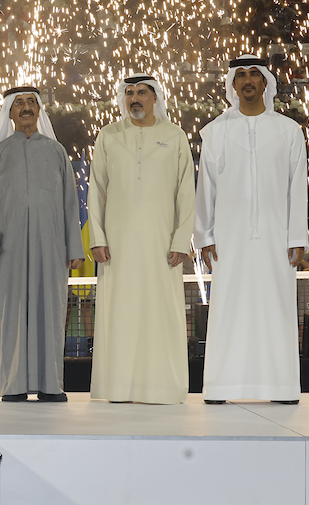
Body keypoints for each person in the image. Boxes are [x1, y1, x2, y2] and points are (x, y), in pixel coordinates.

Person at [195, 57, 307, 405]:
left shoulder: (289, 130)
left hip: (276, 241)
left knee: (277, 310)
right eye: (240, 75)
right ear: (232, 84)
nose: (246, 80)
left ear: (265, 83)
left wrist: (297, 238)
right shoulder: (215, 130)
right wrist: (205, 236)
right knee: (228, 309)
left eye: (254, 75)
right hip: (228, 240)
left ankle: (280, 388)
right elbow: (206, 189)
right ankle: (221, 387)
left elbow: (297, 188)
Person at [89, 74, 195, 405]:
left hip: (162, 245)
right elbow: (97, 190)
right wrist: (97, 237)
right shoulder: (108, 136)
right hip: (116, 247)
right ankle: (117, 388)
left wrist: (181, 240)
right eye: (129, 93)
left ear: (155, 98)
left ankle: (164, 388)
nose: (135, 98)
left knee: (162, 312)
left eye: (142, 93)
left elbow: (186, 193)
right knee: (119, 312)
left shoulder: (174, 136)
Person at [0, 86, 84, 402]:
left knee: (51, 314)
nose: (25, 107)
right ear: (9, 112)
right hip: (8, 250)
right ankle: (13, 385)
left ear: (40, 110)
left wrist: (73, 248)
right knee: (11, 315)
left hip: (51, 248)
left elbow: (69, 203)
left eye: (31, 102)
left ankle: (52, 384)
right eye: (18, 103)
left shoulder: (56, 152)